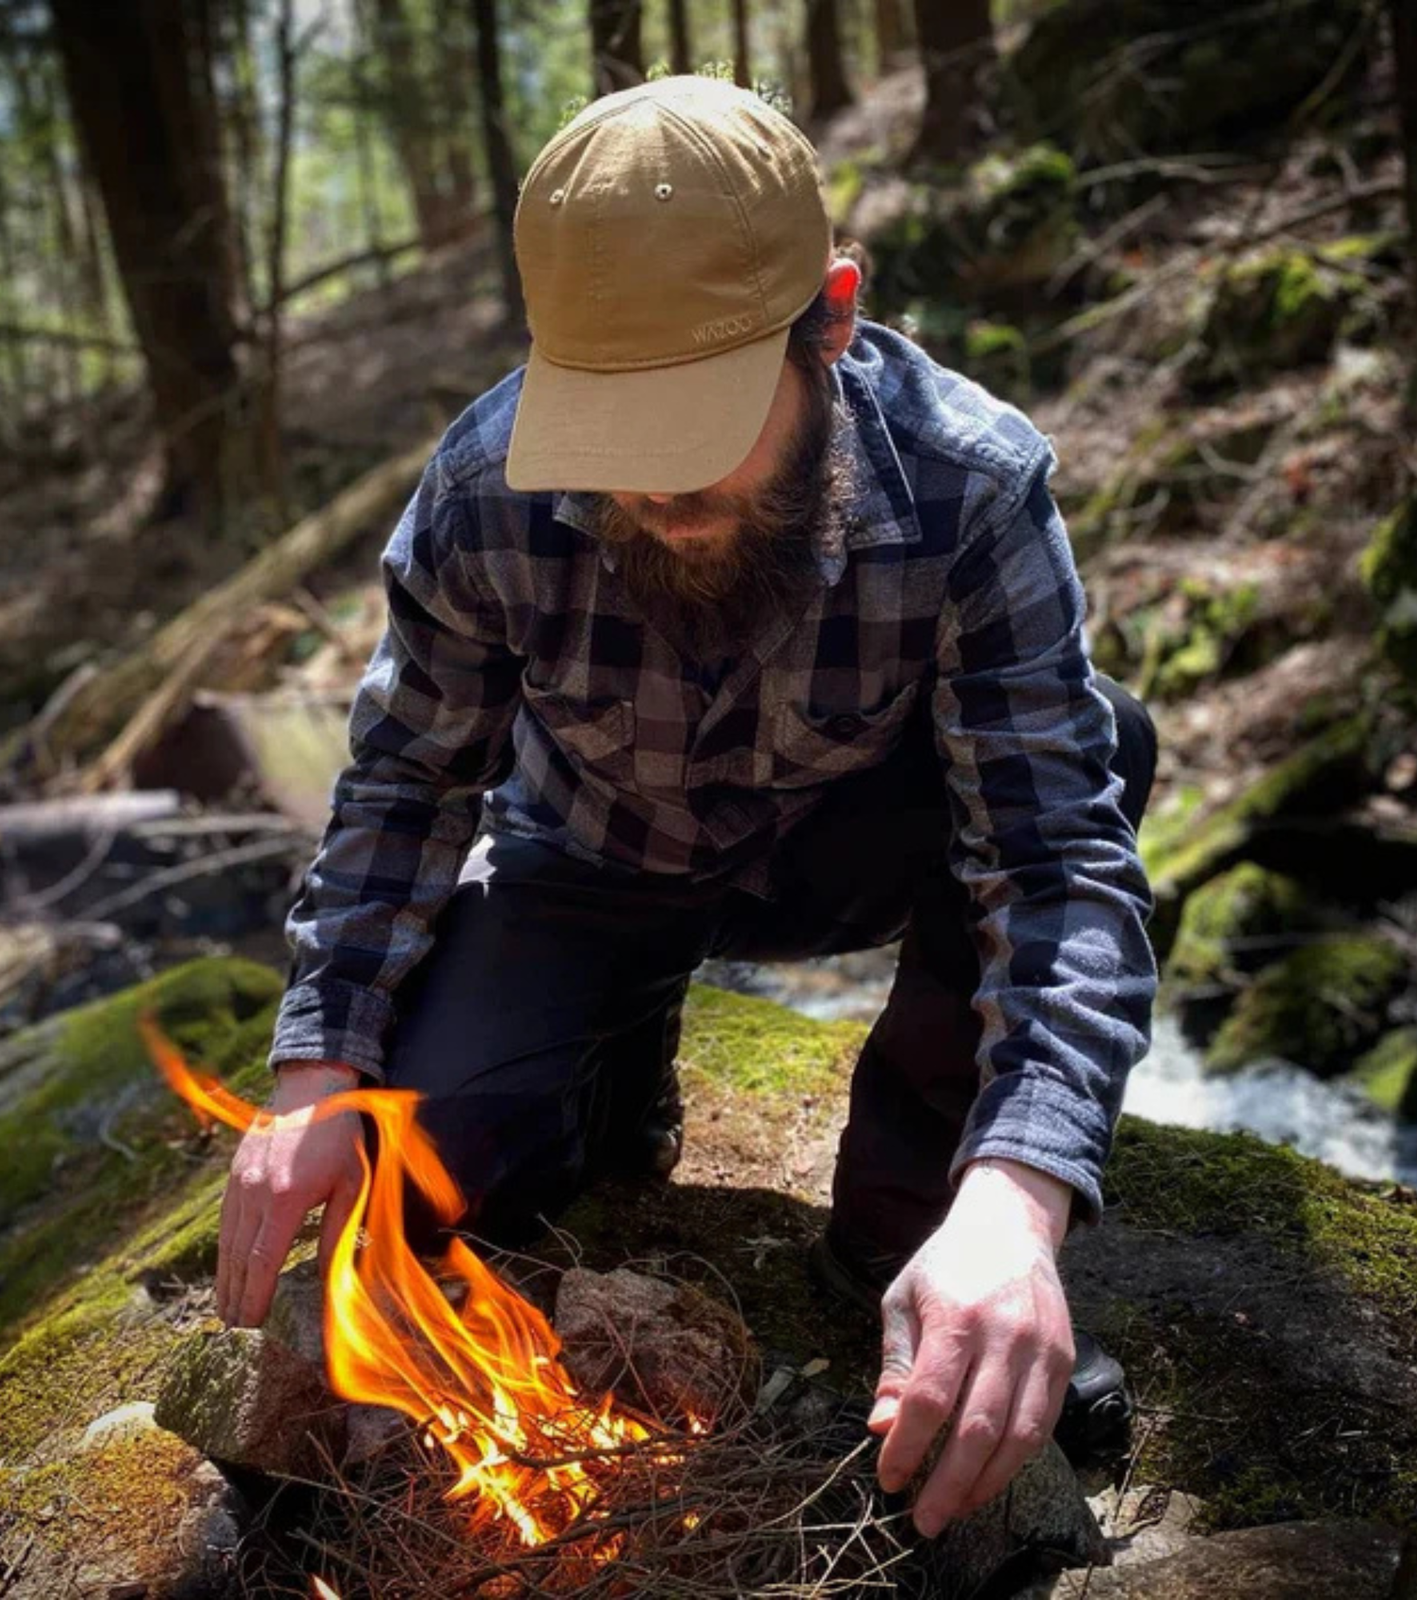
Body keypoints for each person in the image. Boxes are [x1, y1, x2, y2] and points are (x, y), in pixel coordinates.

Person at [216, 75, 1157, 1540]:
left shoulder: (973, 486)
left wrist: (1019, 1206)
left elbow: (1052, 863)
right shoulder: (483, 491)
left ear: (831, 319)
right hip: (591, 855)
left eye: (697, 420)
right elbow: (408, 780)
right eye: (612, 420)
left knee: (1114, 746)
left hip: (860, 842)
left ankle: (915, 1222)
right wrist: (316, 1070)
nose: (650, 481)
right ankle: (602, 1075)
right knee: (433, 1170)